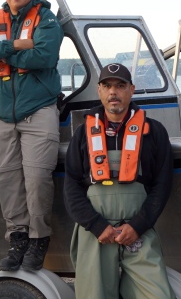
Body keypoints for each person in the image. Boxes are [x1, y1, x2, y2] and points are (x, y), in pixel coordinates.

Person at [0, 0, 63, 272]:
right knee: (7, 180)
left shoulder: (47, 20)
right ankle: (18, 240)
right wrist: (15, 45)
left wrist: (1, 51)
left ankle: (39, 240)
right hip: (2, 116)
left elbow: (44, 56)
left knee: (37, 179)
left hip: (38, 111)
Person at [64, 63, 175, 299]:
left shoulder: (154, 131)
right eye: (107, 86)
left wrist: (138, 225)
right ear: (99, 90)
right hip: (95, 232)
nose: (113, 92)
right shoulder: (82, 133)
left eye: (120, 86)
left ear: (131, 90)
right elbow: (71, 186)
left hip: (138, 231)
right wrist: (95, 225)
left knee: (159, 295)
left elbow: (162, 185)